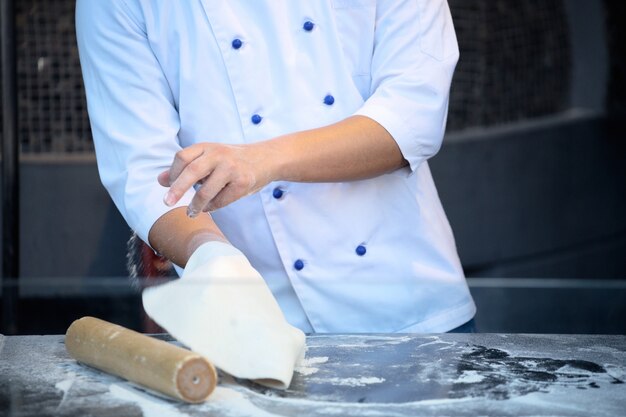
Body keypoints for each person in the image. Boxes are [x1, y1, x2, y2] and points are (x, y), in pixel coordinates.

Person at [76, 0, 476, 333]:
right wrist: (211, 258)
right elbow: (143, 167)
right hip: (246, 325)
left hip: (409, 307)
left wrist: (260, 161)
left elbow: (413, 117)